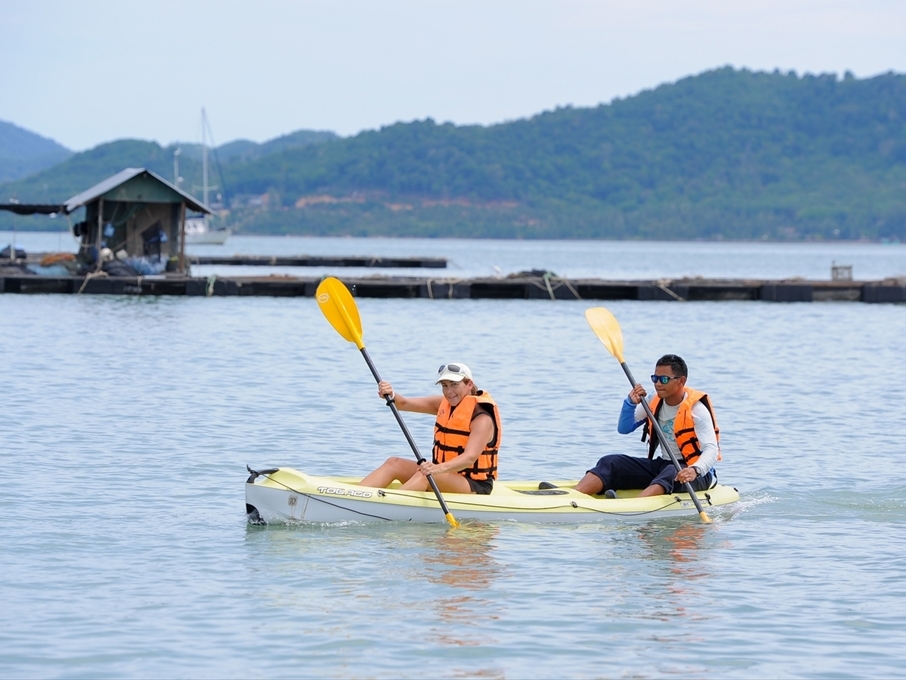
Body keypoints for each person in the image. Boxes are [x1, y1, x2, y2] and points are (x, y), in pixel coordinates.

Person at [574, 354, 720, 498]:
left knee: (671, 471)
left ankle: (635, 506)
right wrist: (630, 403)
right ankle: (574, 496)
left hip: (696, 473)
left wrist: (695, 470)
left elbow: (711, 449)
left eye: (664, 379)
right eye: (655, 378)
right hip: (663, 464)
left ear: (681, 381)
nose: (657, 384)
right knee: (611, 461)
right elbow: (624, 428)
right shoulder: (652, 400)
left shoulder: (697, 410)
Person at [359, 362, 502, 495]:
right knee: (394, 463)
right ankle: (356, 496)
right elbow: (403, 403)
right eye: (445, 385)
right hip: (445, 475)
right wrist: (391, 394)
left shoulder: (482, 418)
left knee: (426, 475)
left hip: (474, 484)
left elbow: (469, 458)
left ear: (469, 384)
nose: (449, 391)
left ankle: (387, 506)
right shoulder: (444, 403)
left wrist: (436, 469)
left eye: (454, 384)